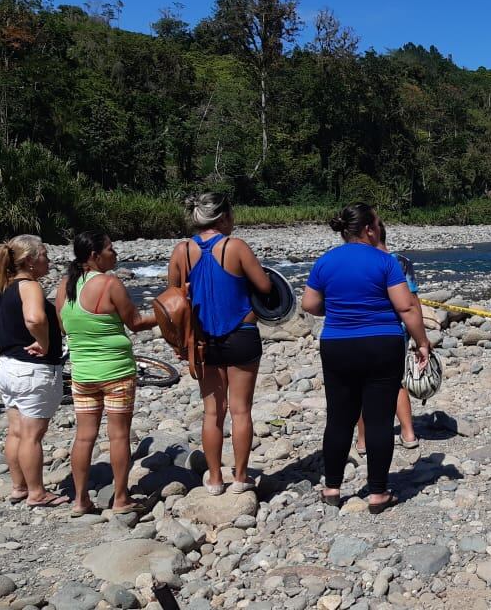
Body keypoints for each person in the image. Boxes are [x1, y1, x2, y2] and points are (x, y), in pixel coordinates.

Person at [301, 203, 430, 514]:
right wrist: (422, 342)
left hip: (338, 344)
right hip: (381, 343)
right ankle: (377, 493)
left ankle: (332, 487)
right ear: (370, 229)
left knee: (339, 418)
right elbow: (406, 307)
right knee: (379, 420)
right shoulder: (385, 262)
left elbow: (309, 304)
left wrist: (337, 310)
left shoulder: (326, 261)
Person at [167, 193, 272, 495]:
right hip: (241, 333)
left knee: (213, 412)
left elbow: (173, 298)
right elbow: (265, 287)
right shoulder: (235, 246)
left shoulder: (182, 251)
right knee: (241, 410)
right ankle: (240, 478)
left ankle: (214, 479)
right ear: (224, 216)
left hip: (202, 340)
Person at [56, 231, 157, 516]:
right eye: (111, 249)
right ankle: (121, 498)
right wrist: (167, 313)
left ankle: (80, 500)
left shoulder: (65, 286)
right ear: (94, 256)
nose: (116, 253)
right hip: (116, 372)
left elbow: (63, 327)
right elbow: (136, 323)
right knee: (119, 436)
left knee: (84, 436)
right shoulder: (110, 283)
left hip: (83, 374)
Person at [0, 235, 69, 508]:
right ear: (30, 260)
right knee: (32, 435)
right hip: (32, 371)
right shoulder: (30, 286)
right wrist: (43, 342)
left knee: (16, 432)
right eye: (45, 255)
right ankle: (37, 493)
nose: (48, 261)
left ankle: (19, 487)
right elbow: (35, 318)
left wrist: (6, 335)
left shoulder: (3, 288)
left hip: (7, 368)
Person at [355, 221, 420, 455]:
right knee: (397, 382)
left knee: (361, 386)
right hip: (395, 331)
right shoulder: (401, 261)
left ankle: (362, 440)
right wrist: (420, 338)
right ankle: (408, 432)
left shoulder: (359, 261)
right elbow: (412, 302)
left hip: (361, 330)